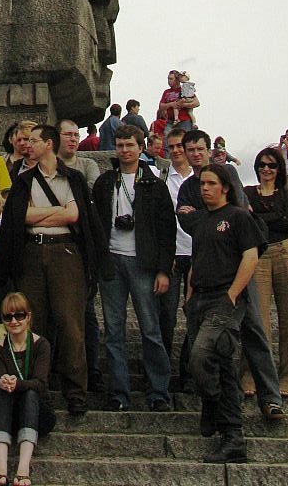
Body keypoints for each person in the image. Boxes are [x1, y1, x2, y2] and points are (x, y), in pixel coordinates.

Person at [0, 125, 107, 417]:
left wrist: (39, 215)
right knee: (34, 322)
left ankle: (75, 392)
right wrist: (58, 213)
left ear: (49, 144)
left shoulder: (73, 178)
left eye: (34, 140)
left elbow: (76, 215)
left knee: (70, 323)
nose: (27, 144)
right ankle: (35, 389)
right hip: (31, 253)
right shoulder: (24, 181)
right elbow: (21, 217)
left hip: (65, 252)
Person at [176, 129, 285, 421]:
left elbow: (240, 212)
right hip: (208, 269)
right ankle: (222, 400)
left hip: (238, 266)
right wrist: (210, 216)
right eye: (190, 150)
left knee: (254, 330)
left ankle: (270, 397)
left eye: (200, 149)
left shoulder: (228, 174)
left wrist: (204, 215)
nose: (195, 154)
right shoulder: (188, 186)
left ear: (209, 150)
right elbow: (187, 223)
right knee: (207, 341)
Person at [91, 123, 175, 412]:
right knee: (113, 330)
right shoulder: (105, 182)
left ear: (141, 148)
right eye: (120, 145)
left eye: (130, 145)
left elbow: (167, 229)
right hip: (111, 260)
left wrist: (163, 269)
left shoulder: (154, 184)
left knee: (150, 328)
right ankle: (119, 393)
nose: (125, 150)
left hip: (143, 261)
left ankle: (158, 392)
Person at [187, 164, 264, 463]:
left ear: (225, 187)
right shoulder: (201, 221)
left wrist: (232, 294)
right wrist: (189, 295)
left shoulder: (238, 217)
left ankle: (217, 409)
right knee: (218, 365)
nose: (205, 188)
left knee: (200, 356)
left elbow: (251, 256)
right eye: (202, 183)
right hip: (199, 299)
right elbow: (196, 258)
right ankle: (230, 433)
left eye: (211, 183)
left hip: (224, 298)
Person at [240, 145, 288, 397]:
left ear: (279, 169)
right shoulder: (248, 192)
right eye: (262, 165)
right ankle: (252, 376)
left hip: (286, 253)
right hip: (257, 255)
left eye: (272, 165)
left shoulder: (286, 194)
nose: (266, 169)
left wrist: (257, 217)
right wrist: (272, 217)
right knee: (257, 320)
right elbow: (245, 220)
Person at [54, 119, 102, 394]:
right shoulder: (46, 167)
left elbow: (88, 194)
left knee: (86, 313)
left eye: (76, 135)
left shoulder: (88, 164)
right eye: (68, 135)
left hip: (80, 247)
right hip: (52, 245)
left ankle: (91, 370)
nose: (73, 139)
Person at [0, 291, 52, 486]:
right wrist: (3, 381)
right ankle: (1, 469)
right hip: (9, 412)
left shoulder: (41, 344)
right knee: (2, 392)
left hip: (38, 412)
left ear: (28, 317)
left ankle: (23, 469)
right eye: (8, 317)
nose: (14, 321)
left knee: (30, 393)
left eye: (19, 316)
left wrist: (17, 383)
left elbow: (40, 383)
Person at [157, 127, 194, 391]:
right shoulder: (161, 177)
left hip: (197, 253)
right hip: (172, 253)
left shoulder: (201, 178)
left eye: (180, 145)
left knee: (194, 314)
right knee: (166, 316)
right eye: (171, 147)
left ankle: (189, 373)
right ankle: (163, 372)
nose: (176, 150)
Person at [157, 69, 199, 142]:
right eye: (168, 79)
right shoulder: (166, 92)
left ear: (177, 80)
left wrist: (183, 105)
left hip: (184, 120)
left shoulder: (185, 89)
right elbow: (161, 106)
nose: (169, 81)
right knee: (167, 139)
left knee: (185, 140)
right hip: (171, 121)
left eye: (171, 79)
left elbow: (197, 103)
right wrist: (171, 104)